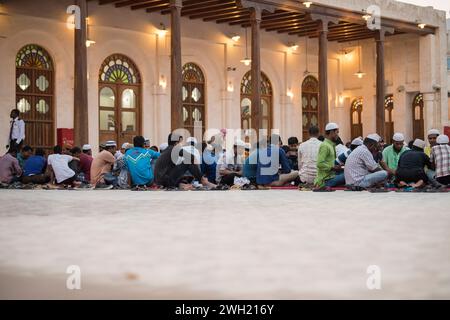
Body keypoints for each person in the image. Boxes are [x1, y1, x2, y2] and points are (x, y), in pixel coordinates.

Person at [314, 123, 344, 188]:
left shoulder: (331, 145)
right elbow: (319, 163)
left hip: (331, 176)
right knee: (348, 175)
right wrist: (332, 167)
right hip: (325, 180)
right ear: (331, 132)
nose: (338, 135)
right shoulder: (325, 145)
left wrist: (337, 167)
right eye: (337, 132)